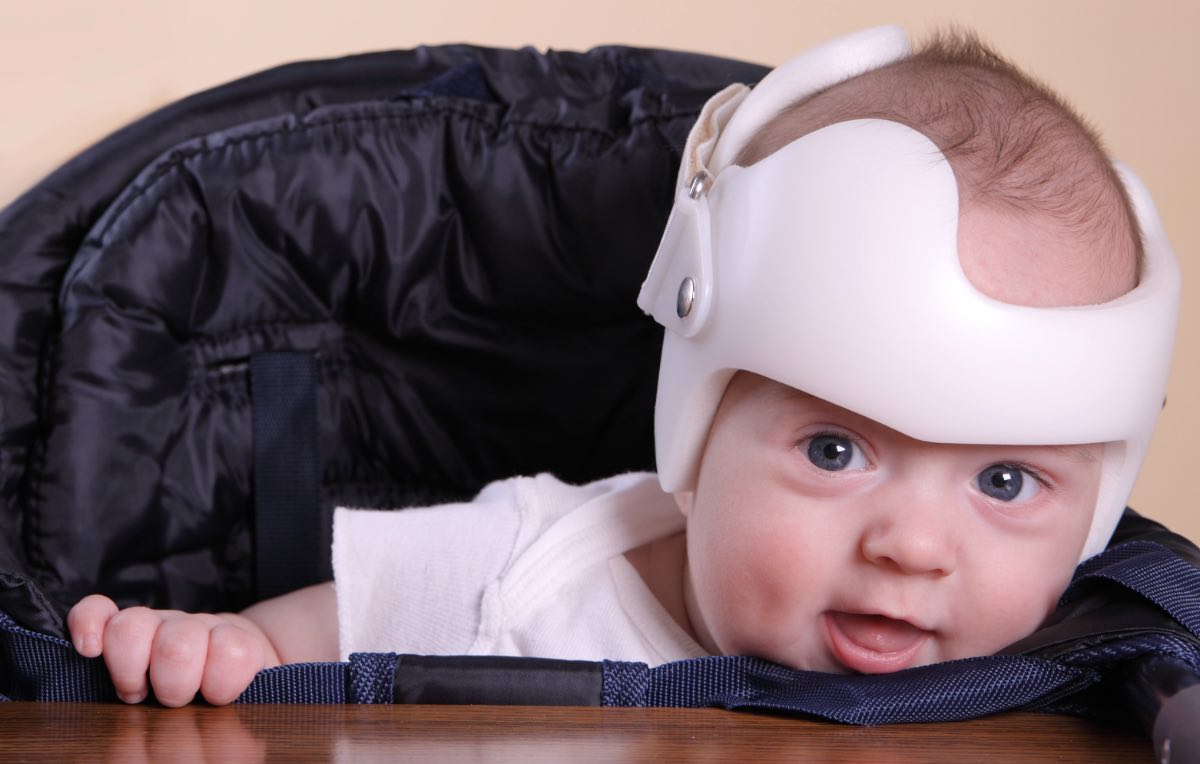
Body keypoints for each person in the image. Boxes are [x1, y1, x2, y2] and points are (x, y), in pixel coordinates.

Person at [64, 25, 1179, 707]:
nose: (916, 547)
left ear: (1096, 507)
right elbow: (304, 640)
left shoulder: (1074, 673)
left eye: (1005, 480)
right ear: (697, 418)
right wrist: (217, 647)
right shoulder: (530, 566)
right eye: (836, 448)